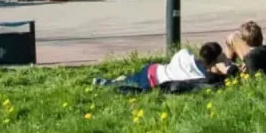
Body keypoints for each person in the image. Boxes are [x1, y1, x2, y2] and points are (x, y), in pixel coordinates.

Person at [93, 42, 235, 91]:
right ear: (215, 60)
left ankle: (115, 80)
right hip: (153, 81)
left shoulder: (185, 54)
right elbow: (225, 75)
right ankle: (106, 83)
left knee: (131, 79)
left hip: (153, 69)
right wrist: (224, 66)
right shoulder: (201, 76)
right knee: (129, 83)